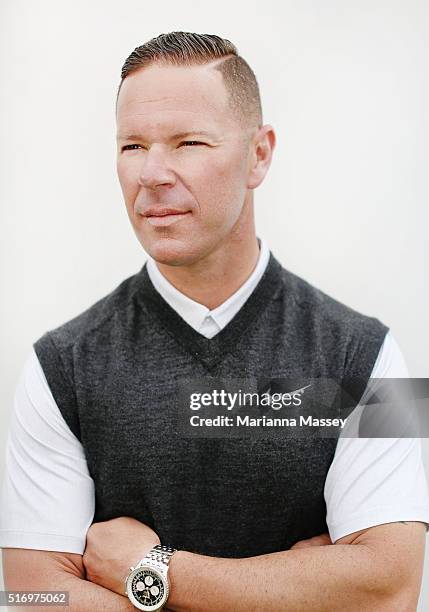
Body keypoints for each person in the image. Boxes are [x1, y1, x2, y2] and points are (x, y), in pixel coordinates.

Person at [1, 31, 429, 611]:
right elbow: (31, 595)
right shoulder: (56, 368)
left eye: (188, 142)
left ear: (259, 154)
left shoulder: (375, 355)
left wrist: (151, 572)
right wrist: (307, 585)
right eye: (132, 146)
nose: (151, 173)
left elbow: (394, 590)